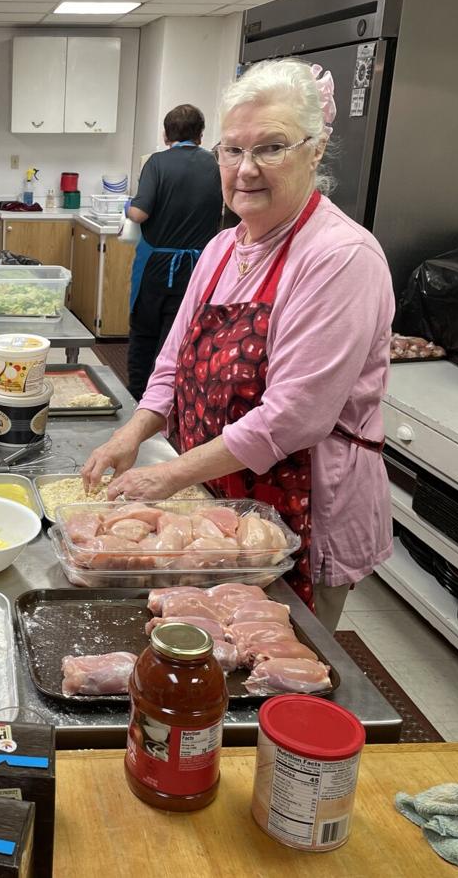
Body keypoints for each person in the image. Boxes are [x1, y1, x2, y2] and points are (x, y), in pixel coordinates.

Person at [84, 61, 394, 632]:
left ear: (315, 150)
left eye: (271, 148)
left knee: (275, 660)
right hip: (220, 497)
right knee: (207, 648)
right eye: (231, 151)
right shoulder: (224, 248)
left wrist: (170, 476)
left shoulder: (340, 258)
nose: (245, 170)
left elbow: (293, 419)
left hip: (302, 506)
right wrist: (130, 434)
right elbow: (172, 363)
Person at [124, 104, 223, 400]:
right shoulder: (217, 164)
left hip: (157, 265)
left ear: (166, 134)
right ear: (201, 135)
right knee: (177, 338)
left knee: (144, 334)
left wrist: (127, 205)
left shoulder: (157, 163)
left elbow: (140, 213)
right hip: (198, 268)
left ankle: (137, 398)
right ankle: (167, 403)